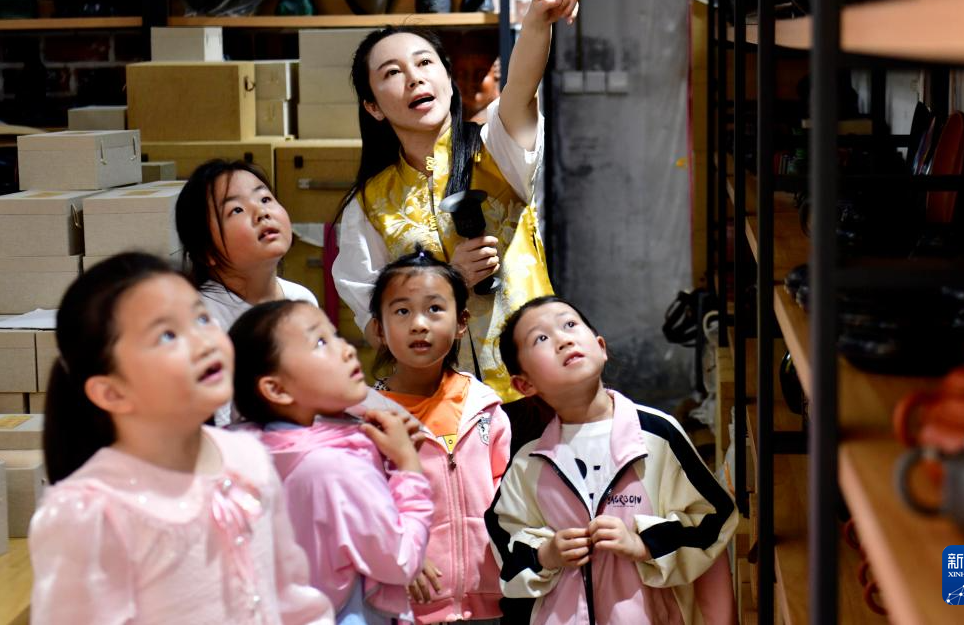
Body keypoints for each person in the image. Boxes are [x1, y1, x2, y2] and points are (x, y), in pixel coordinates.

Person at [29, 252, 333, 624]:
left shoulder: (248, 457)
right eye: (167, 335)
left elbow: (291, 597)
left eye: (202, 318)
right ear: (112, 392)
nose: (204, 341)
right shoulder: (92, 513)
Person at [332, 0, 579, 399]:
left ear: (447, 78)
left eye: (425, 63)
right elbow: (376, 329)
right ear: (373, 107)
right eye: (392, 73)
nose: (414, 79)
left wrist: (536, 23)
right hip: (441, 406)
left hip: (534, 387)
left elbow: (521, 90)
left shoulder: (496, 151)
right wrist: (447, 282)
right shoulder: (367, 206)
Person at [486, 296, 739, 625]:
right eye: (541, 338)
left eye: (570, 324)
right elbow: (505, 550)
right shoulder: (527, 464)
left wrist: (643, 543)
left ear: (601, 347)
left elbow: (713, 520)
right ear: (525, 384)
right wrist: (546, 554)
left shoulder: (658, 435)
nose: (563, 340)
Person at [229, 299, 433, 624]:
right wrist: (408, 466)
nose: (347, 349)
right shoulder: (335, 467)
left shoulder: (250, 450)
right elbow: (400, 560)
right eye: (321, 342)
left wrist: (386, 461)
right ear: (276, 389)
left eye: (335, 335)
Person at [370, 247, 510, 624]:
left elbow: (508, 497)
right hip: (408, 604)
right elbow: (361, 506)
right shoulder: (367, 418)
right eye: (402, 311)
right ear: (379, 329)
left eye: (434, 308)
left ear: (461, 321)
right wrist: (401, 554)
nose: (419, 324)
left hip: (490, 599)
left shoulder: (484, 407)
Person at [175, 159, 318, 424]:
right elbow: (217, 427)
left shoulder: (301, 299)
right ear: (206, 251)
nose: (262, 212)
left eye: (265, 199)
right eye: (237, 210)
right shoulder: (202, 321)